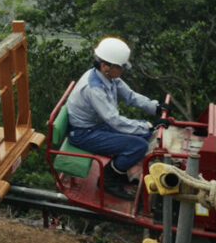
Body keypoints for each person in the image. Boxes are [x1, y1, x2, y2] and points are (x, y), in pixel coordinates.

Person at [65, 37, 164, 199]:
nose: (123, 70)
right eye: (121, 67)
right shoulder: (94, 88)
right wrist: (146, 126)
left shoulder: (109, 77)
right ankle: (108, 180)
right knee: (138, 146)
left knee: (144, 134)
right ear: (106, 66)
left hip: (96, 126)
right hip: (83, 134)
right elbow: (114, 120)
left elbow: (130, 96)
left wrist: (155, 108)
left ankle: (120, 171)